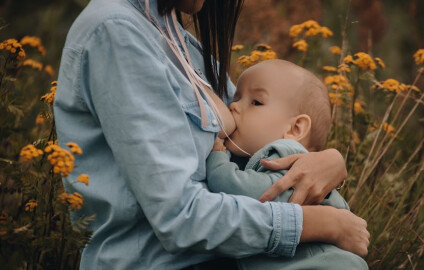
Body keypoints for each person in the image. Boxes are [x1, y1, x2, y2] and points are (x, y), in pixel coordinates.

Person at [53, 0, 369, 269]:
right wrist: (319, 224)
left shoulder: (180, 42)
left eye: (251, 101)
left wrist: (329, 159)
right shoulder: (116, 32)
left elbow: (258, 129)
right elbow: (179, 217)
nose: (238, 107)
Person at [206, 59, 368, 270]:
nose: (233, 106)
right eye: (236, 98)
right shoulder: (257, 157)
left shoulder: (284, 157)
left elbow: (236, 188)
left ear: (296, 129)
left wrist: (217, 157)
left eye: (256, 102)